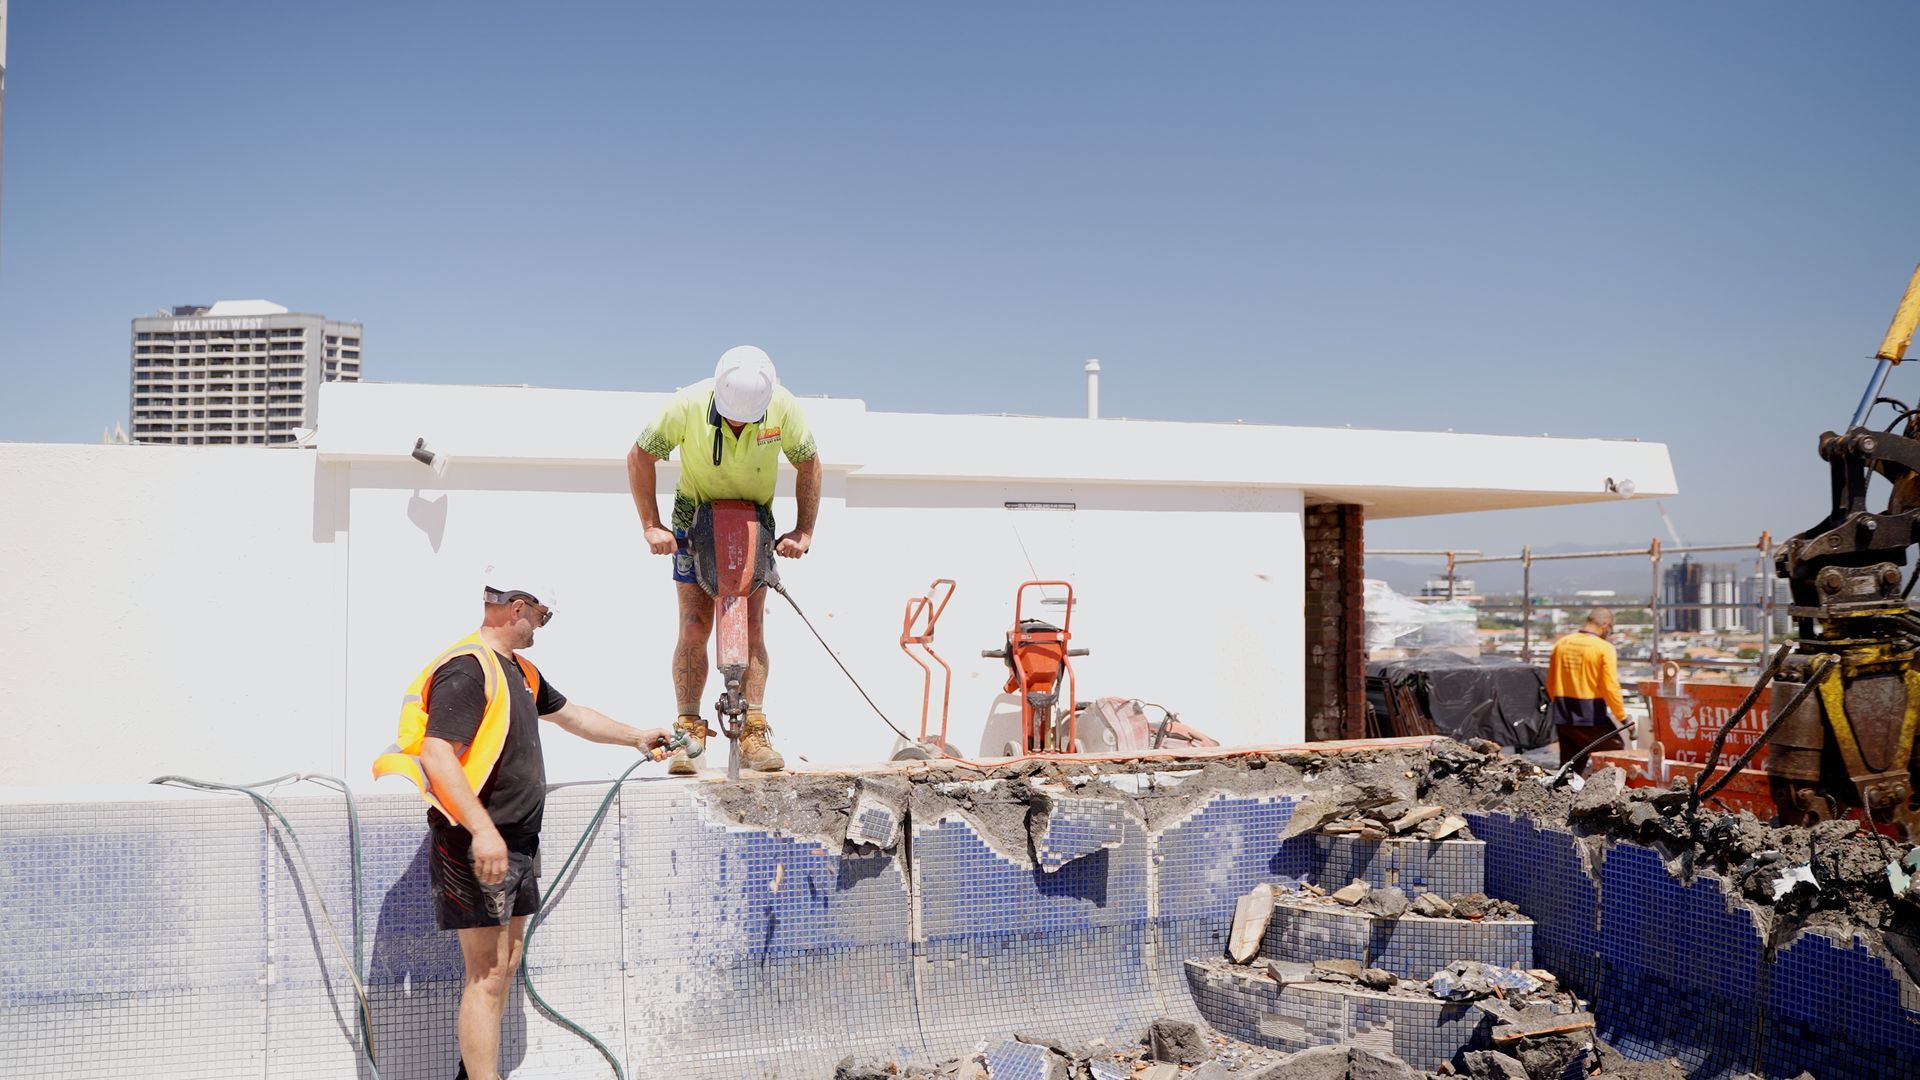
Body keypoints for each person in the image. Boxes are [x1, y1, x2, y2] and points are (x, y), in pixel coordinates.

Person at [372, 571, 670, 1080]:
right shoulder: (469, 669)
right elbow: (438, 754)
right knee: (485, 973)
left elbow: (573, 715)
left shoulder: (521, 672)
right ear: (517, 608)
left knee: (505, 962)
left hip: (515, 842)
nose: (541, 627)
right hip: (476, 841)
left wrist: (637, 736)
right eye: (542, 616)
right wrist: (483, 830)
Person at [625, 345, 821, 775]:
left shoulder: (784, 409)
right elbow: (640, 456)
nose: (738, 423)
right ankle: (688, 731)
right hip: (693, 520)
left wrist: (803, 531)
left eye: (748, 419)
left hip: (754, 522)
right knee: (694, 624)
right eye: (732, 415)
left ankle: (753, 729)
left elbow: (808, 464)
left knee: (751, 627)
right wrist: (651, 525)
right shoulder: (687, 404)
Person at [1546, 607, 1631, 767]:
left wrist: (1558, 704)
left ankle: (1563, 791)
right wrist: (1622, 717)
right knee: (1616, 753)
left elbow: (1550, 682)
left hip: (1563, 714)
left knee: (1570, 766)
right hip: (1590, 715)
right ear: (1605, 626)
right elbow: (1610, 686)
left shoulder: (1562, 644)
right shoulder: (1603, 648)